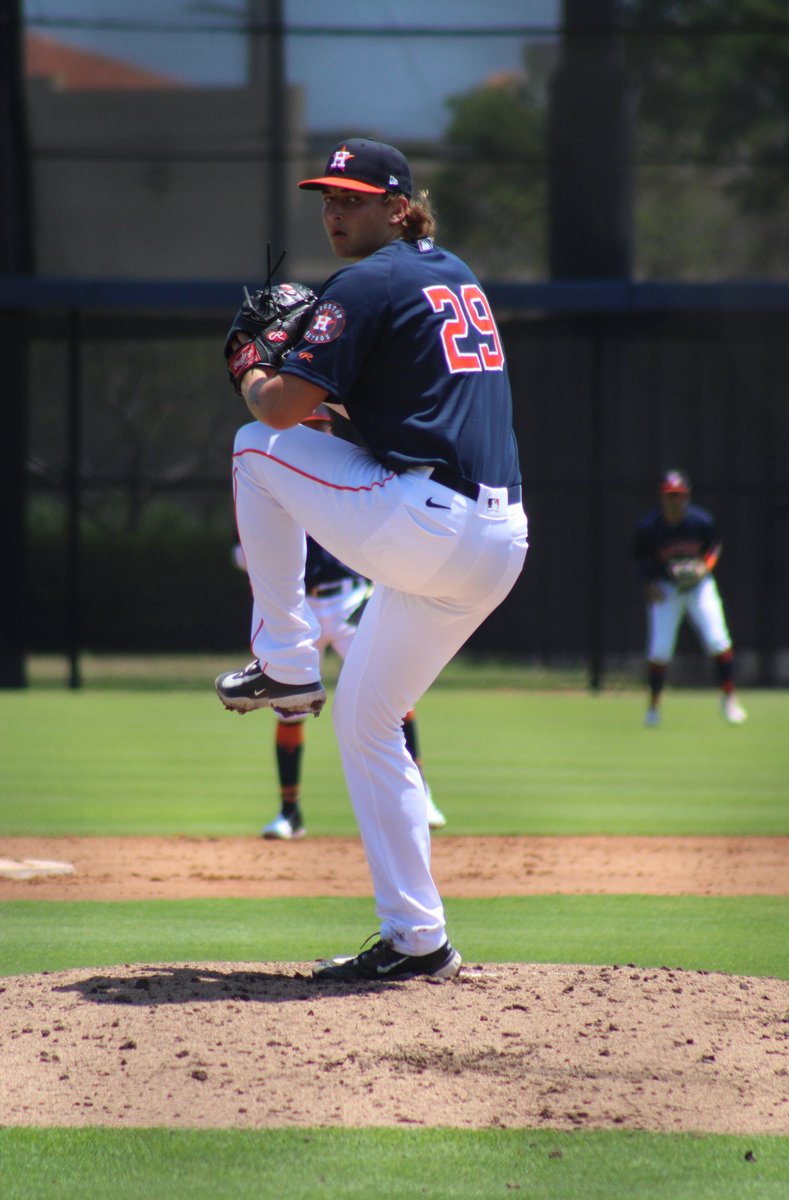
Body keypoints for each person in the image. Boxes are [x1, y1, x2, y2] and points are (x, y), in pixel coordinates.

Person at [215, 137, 528, 981]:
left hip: (428, 524)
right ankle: (418, 940)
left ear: (397, 206)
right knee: (365, 721)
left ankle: (286, 661)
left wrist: (251, 366)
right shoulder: (452, 273)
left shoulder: (365, 283)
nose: (334, 212)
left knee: (252, 447)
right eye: (327, 198)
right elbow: (394, 407)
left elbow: (280, 408)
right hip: (496, 542)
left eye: (352, 198)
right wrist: (322, 402)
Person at [233, 405, 447, 840]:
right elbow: (245, 548)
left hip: (350, 599)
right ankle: (289, 814)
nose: (318, 433)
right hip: (302, 606)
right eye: (309, 426)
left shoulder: (349, 468)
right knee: (289, 706)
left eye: (322, 426)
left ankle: (421, 794)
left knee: (393, 696)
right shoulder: (278, 473)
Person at [633, 469, 747, 727]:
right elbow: (639, 559)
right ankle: (653, 708)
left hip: (699, 587)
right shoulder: (649, 527)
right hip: (667, 588)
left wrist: (706, 566)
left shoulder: (700, 521)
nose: (674, 500)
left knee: (718, 640)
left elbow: (714, 546)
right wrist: (648, 584)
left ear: (687, 496)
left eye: (678, 495)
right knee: (660, 650)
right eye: (670, 495)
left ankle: (729, 700)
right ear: (662, 497)